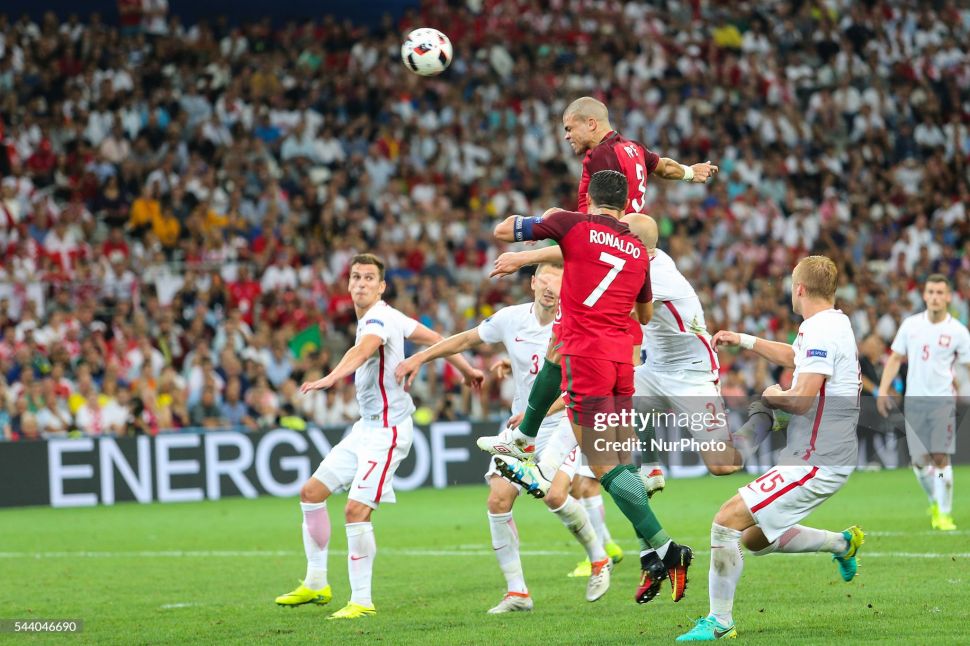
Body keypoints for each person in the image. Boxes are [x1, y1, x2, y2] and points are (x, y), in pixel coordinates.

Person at [487, 96, 719, 559]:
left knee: (599, 448)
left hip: (600, 264)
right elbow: (667, 167)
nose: (568, 138)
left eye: (570, 128)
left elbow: (539, 234)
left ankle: (525, 442)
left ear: (593, 125)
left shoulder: (598, 160)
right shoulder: (636, 152)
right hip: (628, 280)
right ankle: (652, 524)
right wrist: (693, 173)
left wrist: (525, 253)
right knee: (607, 434)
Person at [488, 170, 694, 605]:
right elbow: (644, 313)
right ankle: (653, 552)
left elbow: (503, 230)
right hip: (622, 363)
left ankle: (666, 548)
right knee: (617, 461)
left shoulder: (572, 223)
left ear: (591, 200)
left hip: (589, 358)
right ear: (624, 206)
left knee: (604, 468)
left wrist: (543, 224)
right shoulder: (639, 251)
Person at [395, 262, 614, 612]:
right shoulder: (510, 318)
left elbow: (581, 388)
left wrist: (537, 412)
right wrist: (421, 357)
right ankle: (518, 593)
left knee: (555, 495)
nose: (549, 287)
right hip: (522, 427)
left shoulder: (576, 326)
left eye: (557, 282)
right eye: (543, 279)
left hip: (562, 424)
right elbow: (465, 339)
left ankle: (599, 559)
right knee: (498, 500)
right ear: (532, 283)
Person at [274, 254, 483, 620]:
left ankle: (362, 601)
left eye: (369, 278)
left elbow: (363, 349)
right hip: (365, 428)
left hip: (388, 432)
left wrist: (330, 377)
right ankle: (316, 581)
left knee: (356, 511)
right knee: (311, 493)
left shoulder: (377, 319)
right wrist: (467, 369)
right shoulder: (392, 315)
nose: (360, 283)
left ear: (381, 286)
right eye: (356, 277)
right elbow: (435, 339)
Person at [677, 256, 864, 642]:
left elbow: (801, 400)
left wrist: (774, 396)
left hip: (818, 459)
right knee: (752, 538)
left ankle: (719, 621)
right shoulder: (831, 322)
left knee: (725, 520)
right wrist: (743, 340)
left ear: (799, 289)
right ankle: (842, 543)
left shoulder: (823, 331)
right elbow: (796, 357)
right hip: (818, 454)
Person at [876, 274, 970, 531]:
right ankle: (935, 501)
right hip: (914, 402)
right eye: (931, 292)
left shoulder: (958, 332)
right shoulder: (911, 325)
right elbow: (895, 359)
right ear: (924, 295)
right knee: (919, 463)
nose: (935, 297)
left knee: (940, 458)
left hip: (942, 403)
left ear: (949, 297)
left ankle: (944, 515)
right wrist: (883, 390)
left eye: (941, 292)